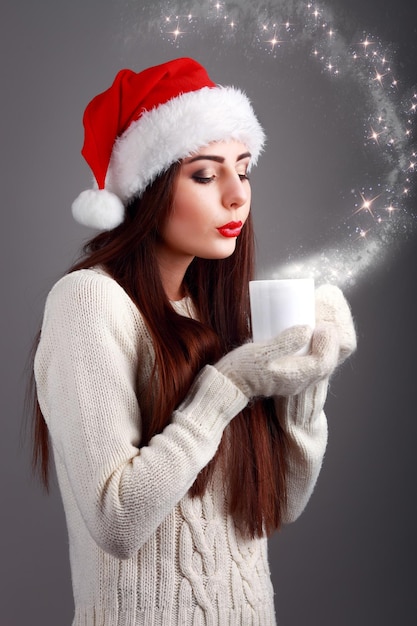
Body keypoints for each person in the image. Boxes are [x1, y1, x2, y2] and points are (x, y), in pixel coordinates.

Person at [32, 57, 356, 625]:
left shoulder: (218, 311)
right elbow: (117, 521)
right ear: (147, 190)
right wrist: (227, 384)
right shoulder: (88, 302)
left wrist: (306, 383)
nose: (237, 196)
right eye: (205, 175)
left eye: (245, 170)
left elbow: (278, 507)